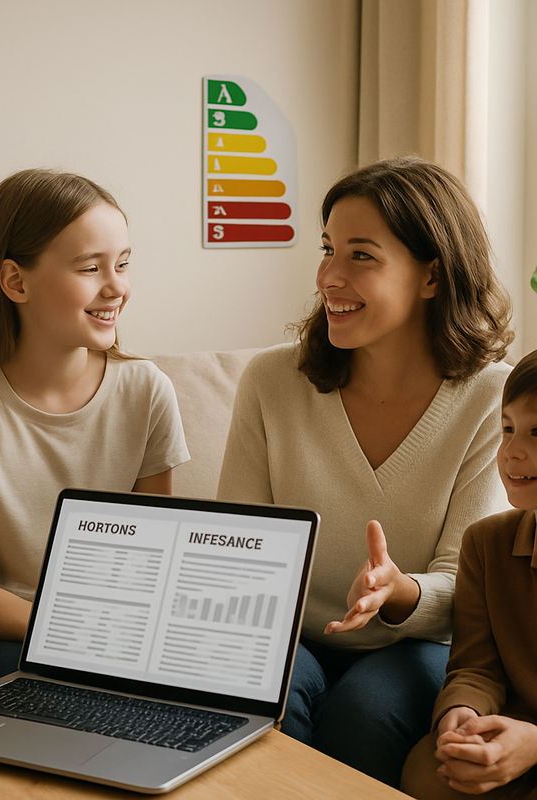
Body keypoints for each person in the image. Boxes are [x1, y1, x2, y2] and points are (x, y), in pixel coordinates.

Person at [217, 156, 513, 788]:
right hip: (289, 634)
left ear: (431, 276)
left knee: (364, 714)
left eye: (361, 255)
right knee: (264, 691)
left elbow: (470, 585)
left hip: (418, 646)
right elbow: (237, 548)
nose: (329, 275)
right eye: (327, 250)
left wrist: (397, 591)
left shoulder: (492, 399)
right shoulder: (272, 382)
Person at [0, 168, 190, 684]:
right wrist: (83, 631)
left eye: (123, 264)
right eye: (91, 268)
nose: (117, 287)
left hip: (127, 630)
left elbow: (156, 563)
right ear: (16, 281)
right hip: (9, 636)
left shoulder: (147, 391)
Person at [401, 350, 537, 799]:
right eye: (508, 429)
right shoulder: (485, 544)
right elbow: (476, 667)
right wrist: (460, 714)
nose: (514, 451)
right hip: (507, 734)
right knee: (428, 768)